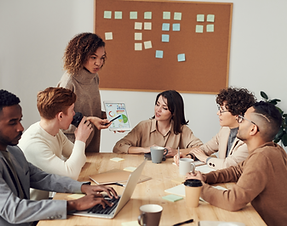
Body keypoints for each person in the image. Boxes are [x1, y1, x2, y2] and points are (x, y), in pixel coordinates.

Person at [0, 89, 118, 226]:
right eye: (12, 122)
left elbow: (42, 177)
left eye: (20, 121)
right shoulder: (30, 144)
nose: (21, 128)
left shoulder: (14, 150)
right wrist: (74, 204)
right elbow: (14, 211)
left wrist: (83, 188)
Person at [186, 101, 287, 226]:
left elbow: (233, 201)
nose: (238, 121)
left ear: (253, 129)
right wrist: (205, 178)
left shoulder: (262, 156)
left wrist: (198, 187)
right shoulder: (273, 149)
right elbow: (236, 171)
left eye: (243, 119)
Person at [18, 87, 92, 200]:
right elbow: (71, 175)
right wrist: (80, 140)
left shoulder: (55, 132)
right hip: (33, 208)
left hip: (45, 202)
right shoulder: (34, 144)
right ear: (60, 116)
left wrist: (79, 142)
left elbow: (80, 158)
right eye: (72, 110)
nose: (74, 114)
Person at [174, 87, 256, 169]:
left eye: (222, 110)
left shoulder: (248, 137)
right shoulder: (225, 129)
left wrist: (205, 159)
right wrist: (189, 157)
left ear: (237, 114)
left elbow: (228, 164)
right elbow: (206, 148)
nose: (218, 113)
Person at [57, 32, 110, 152]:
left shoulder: (94, 77)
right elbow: (60, 117)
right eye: (93, 57)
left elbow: (87, 107)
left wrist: (104, 115)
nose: (98, 63)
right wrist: (90, 119)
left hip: (91, 140)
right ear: (80, 55)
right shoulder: (69, 81)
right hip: (71, 144)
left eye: (102, 58)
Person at [113, 90, 203, 156]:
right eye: (157, 104)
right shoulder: (143, 126)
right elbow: (118, 147)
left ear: (174, 112)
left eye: (164, 108)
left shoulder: (182, 130)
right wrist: (145, 149)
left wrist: (177, 152)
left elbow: (201, 148)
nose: (158, 110)